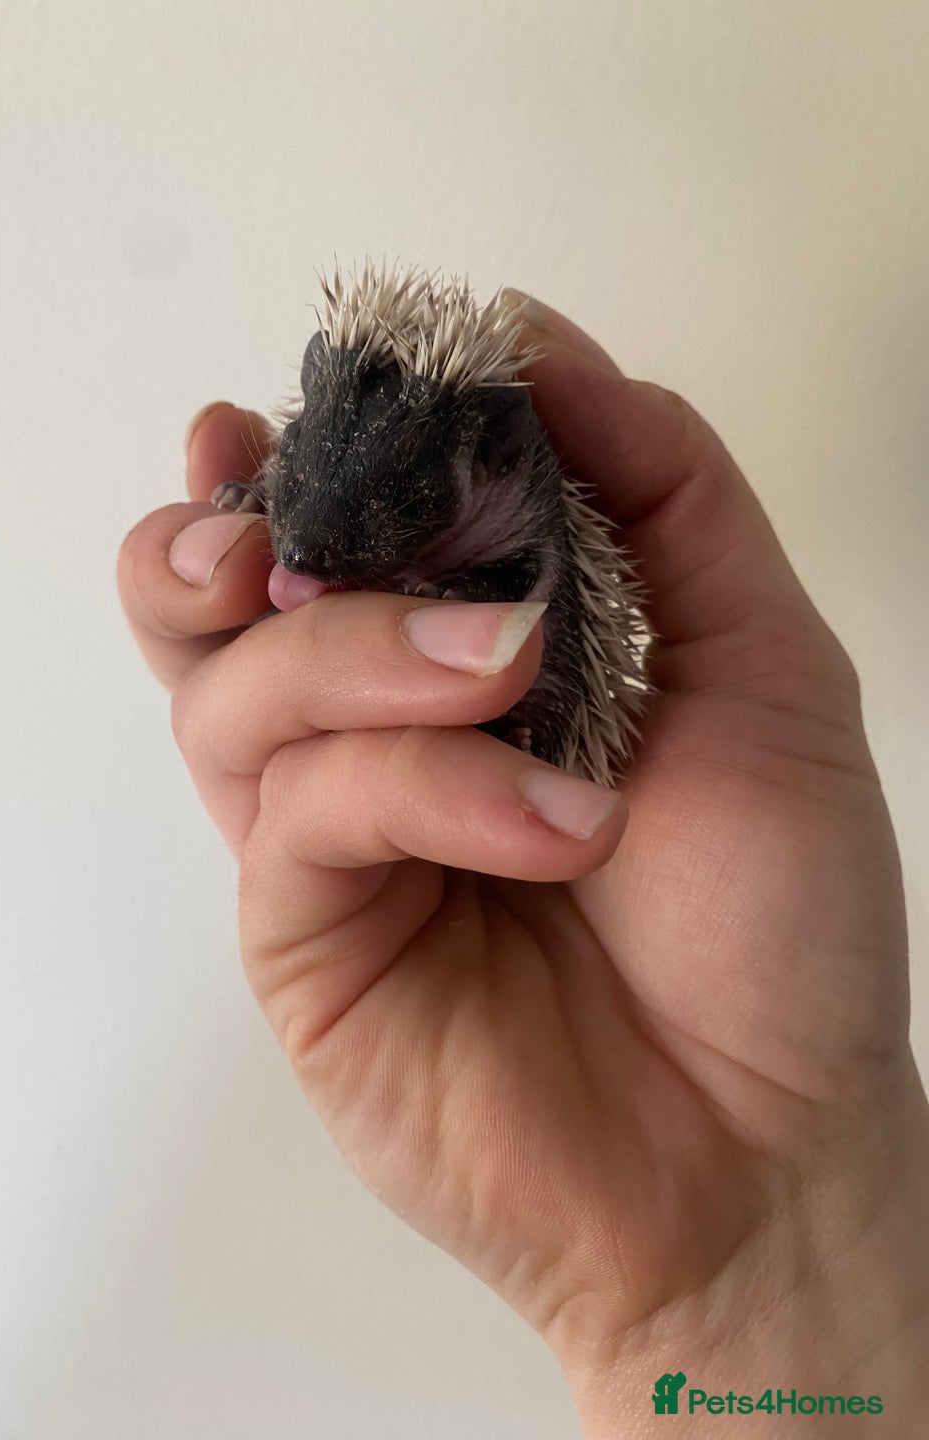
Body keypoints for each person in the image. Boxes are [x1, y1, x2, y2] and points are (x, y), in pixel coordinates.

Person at [117, 293, 929, 1435]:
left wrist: (791, 1232)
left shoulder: (508, 492)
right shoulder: (349, 470)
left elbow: (519, 610)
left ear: (491, 452)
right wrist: (701, 1314)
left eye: (392, 506)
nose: (297, 562)